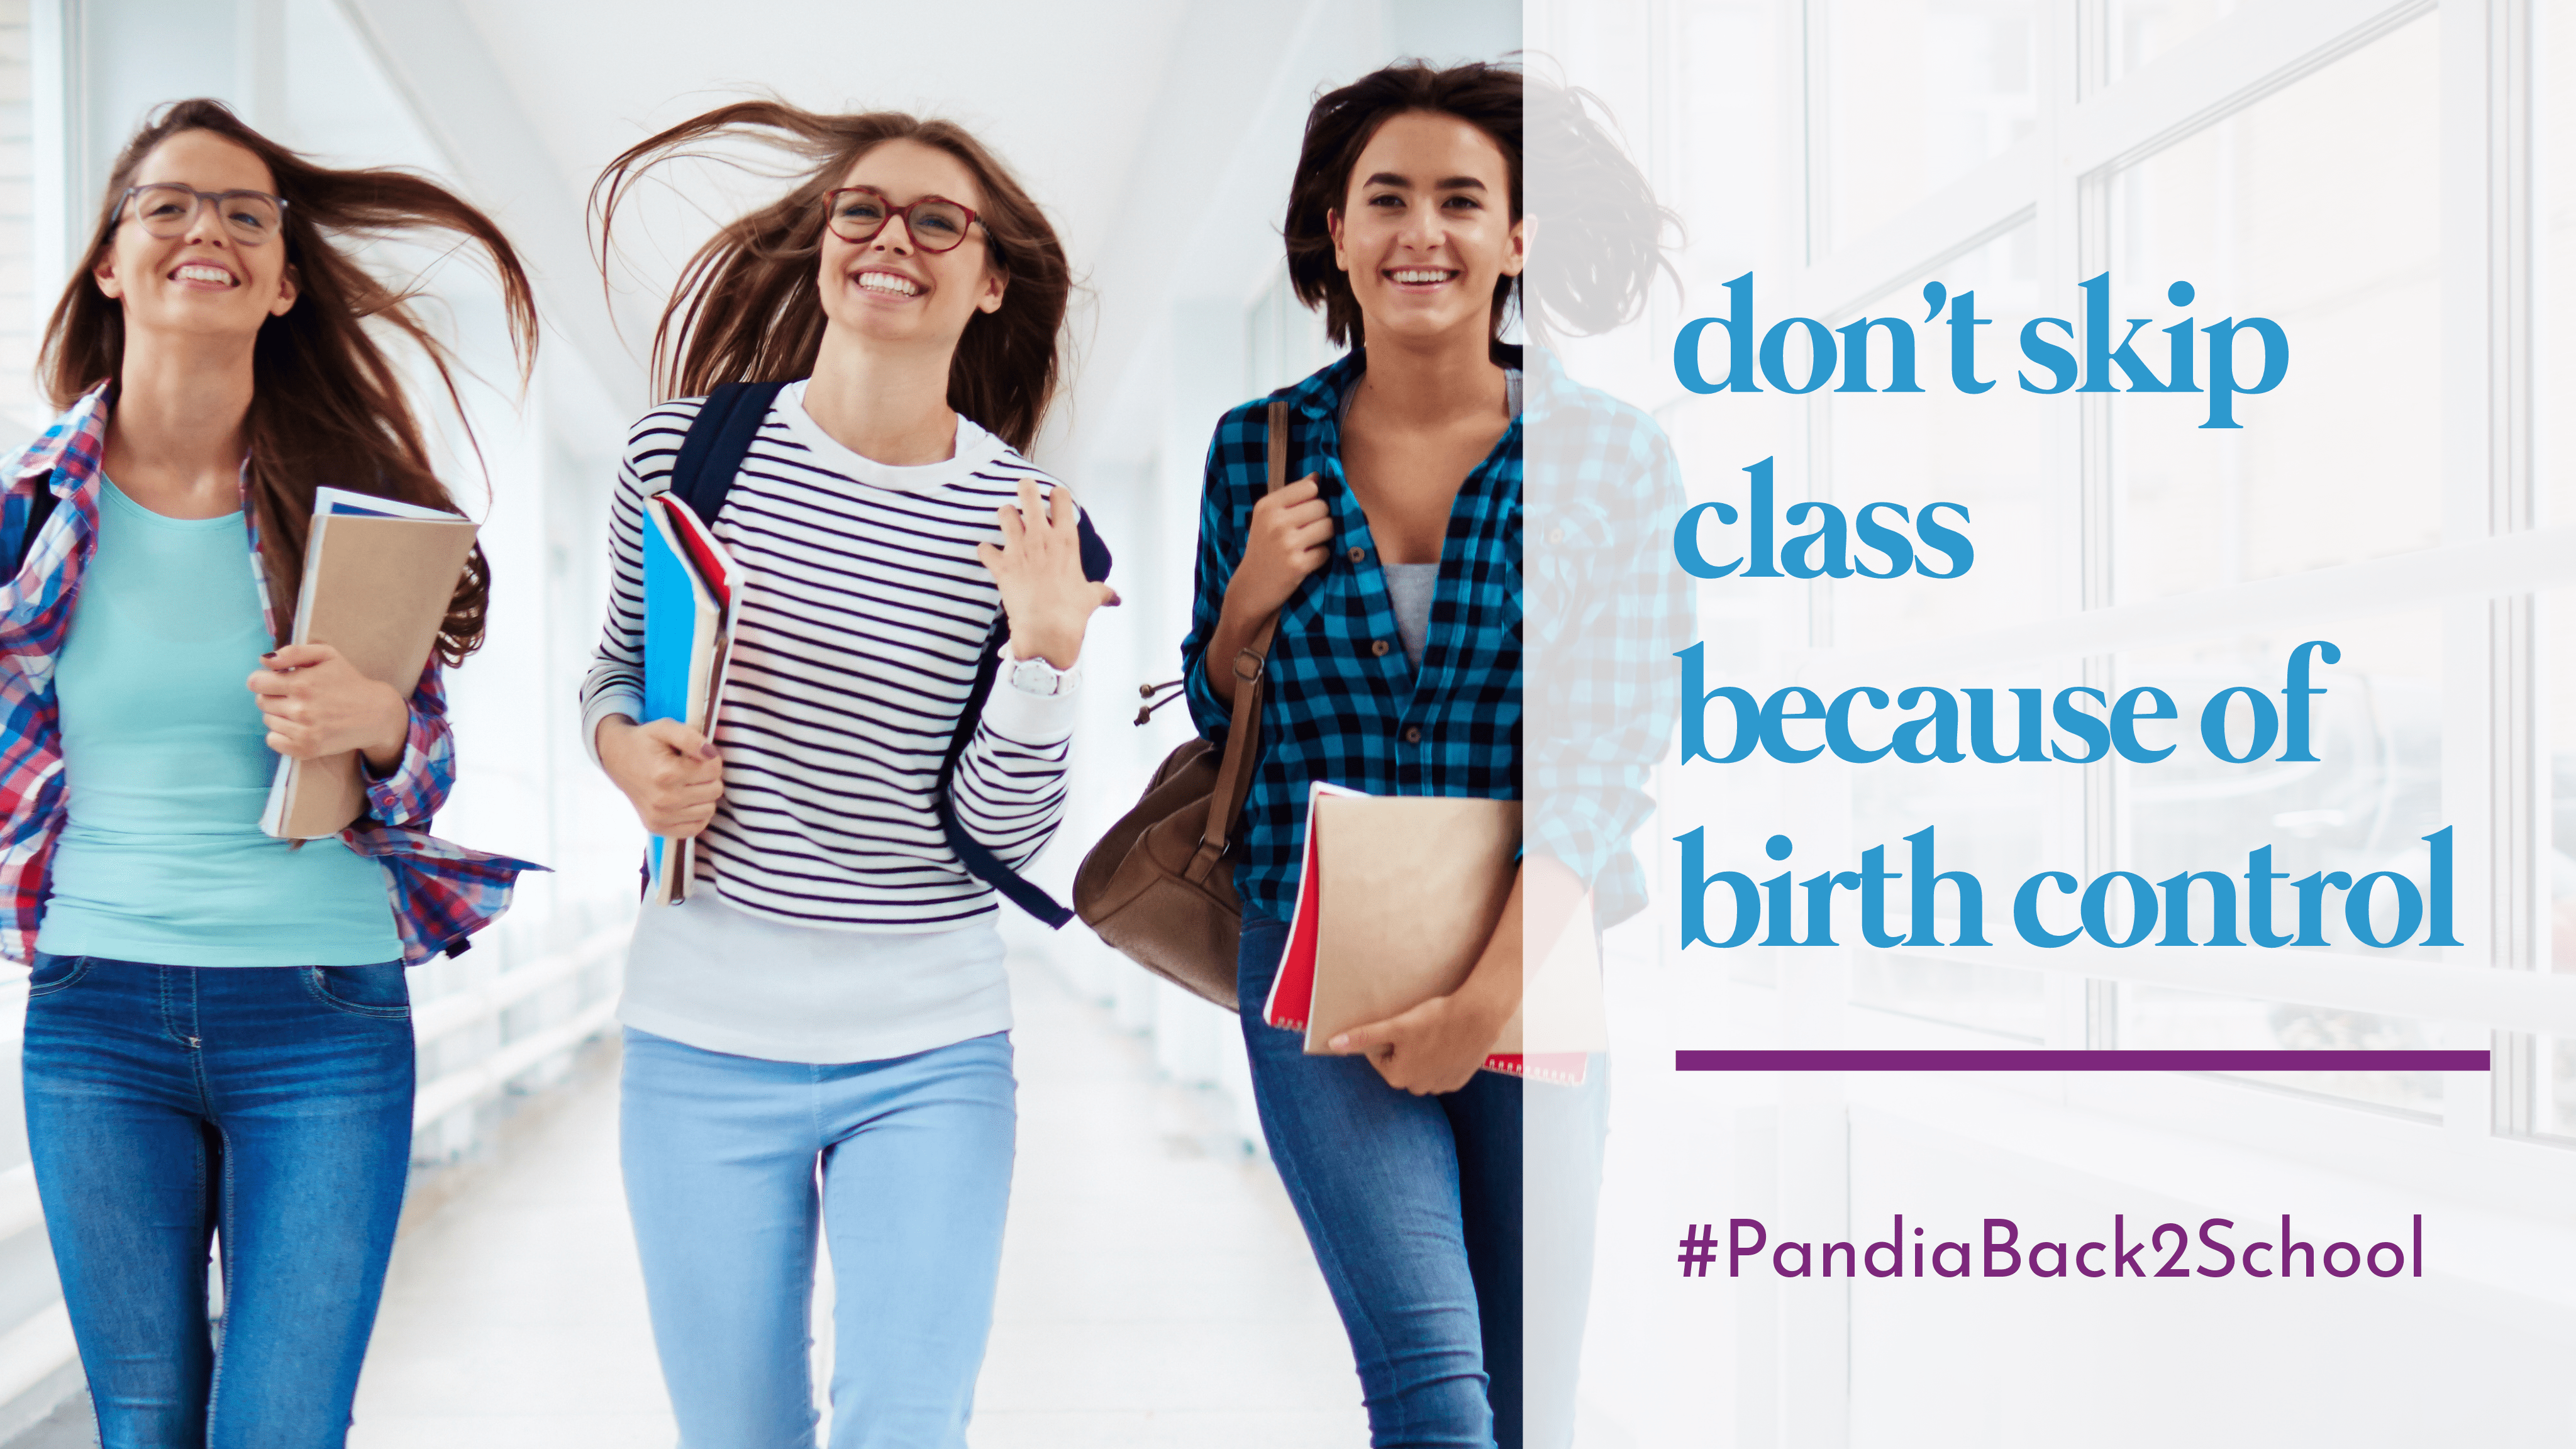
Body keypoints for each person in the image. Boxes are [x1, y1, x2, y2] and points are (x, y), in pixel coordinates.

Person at [1, 98, 539, 1448]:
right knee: (143, 1423)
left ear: (285, 282)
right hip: (94, 1014)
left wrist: (374, 721)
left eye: (247, 215)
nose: (210, 231)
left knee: (283, 1428)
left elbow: (411, 785)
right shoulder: (24, 514)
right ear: (111, 264)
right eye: (168, 205)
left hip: (318, 1017)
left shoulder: (350, 508)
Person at [582, 102, 1112, 1449]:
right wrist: (628, 760)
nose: (893, 239)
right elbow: (611, 678)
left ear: (989, 281)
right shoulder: (682, 457)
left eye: (939, 221)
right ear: (823, 246)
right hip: (701, 1033)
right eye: (862, 211)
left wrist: (1044, 657)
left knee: (906, 1426)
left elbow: (1002, 831)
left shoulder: (1035, 529)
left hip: (928, 1043)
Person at [1182, 60, 1684, 1449]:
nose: (1422, 231)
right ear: (1334, 238)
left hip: (1529, 943)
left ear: (1515, 235)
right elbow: (1222, 718)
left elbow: (1604, 753)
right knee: (1432, 1394)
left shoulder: (1610, 457)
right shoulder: (1255, 450)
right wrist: (1238, 617)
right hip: (1311, 962)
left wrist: (1483, 1001)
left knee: (1528, 1400)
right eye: (1384, 198)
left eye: (1461, 199)